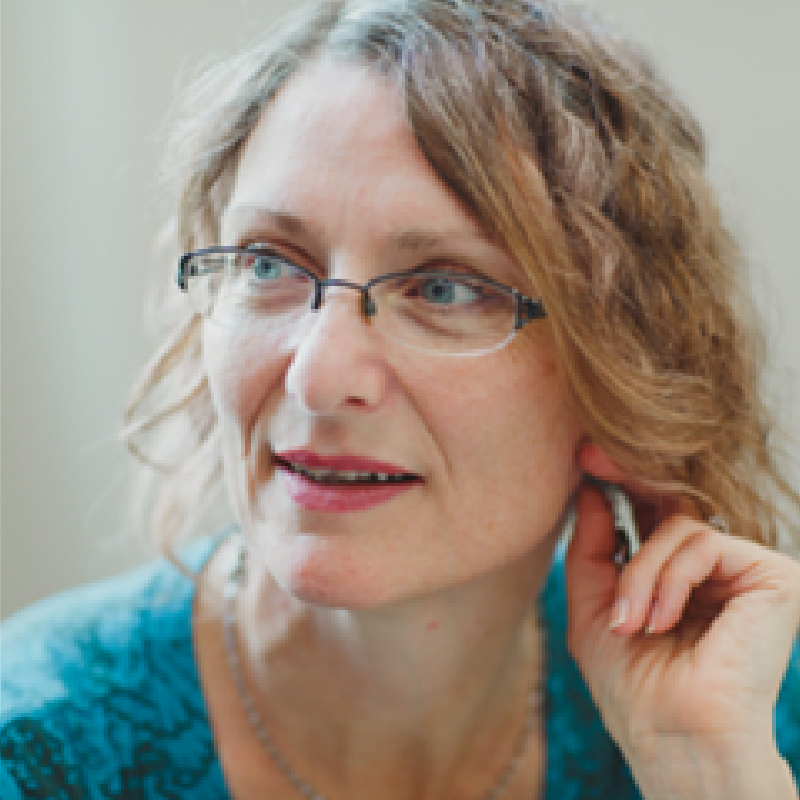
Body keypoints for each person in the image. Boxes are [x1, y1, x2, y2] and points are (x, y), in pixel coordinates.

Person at [2, 0, 799, 797]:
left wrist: (706, 771)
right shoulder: (37, 747)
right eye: (269, 264)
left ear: (621, 377)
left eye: (444, 288)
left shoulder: (741, 711)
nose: (317, 376)